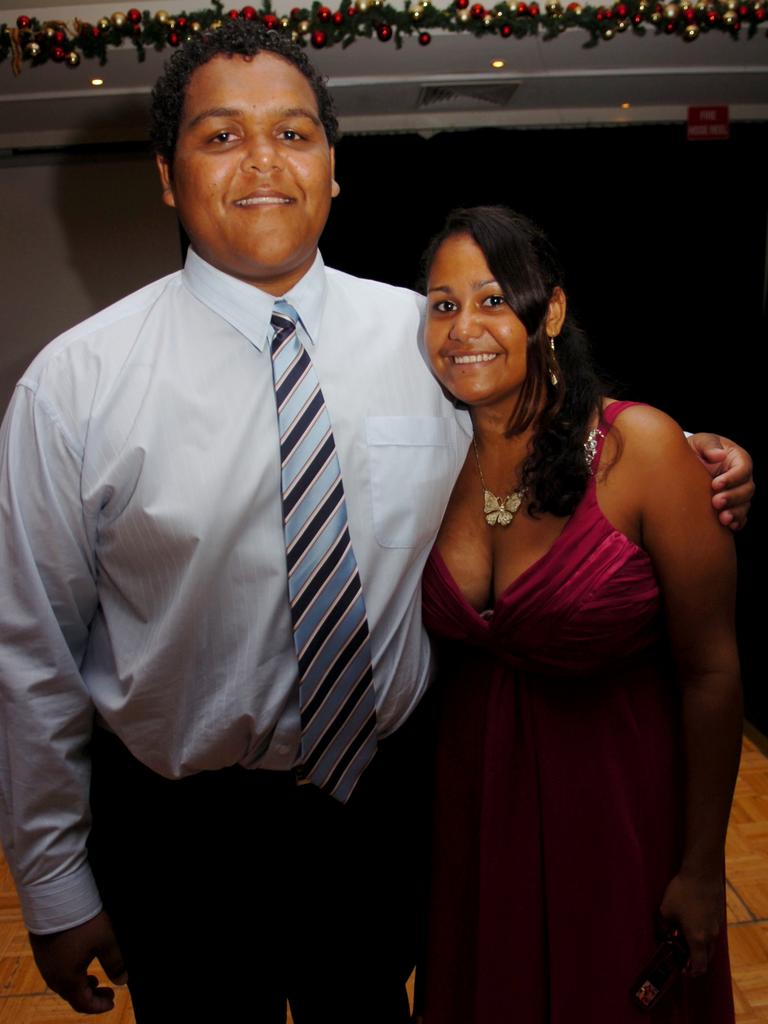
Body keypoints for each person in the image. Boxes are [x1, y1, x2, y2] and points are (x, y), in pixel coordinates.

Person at [0, 24, 752, 1024]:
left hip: (380, 809)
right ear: (169, 178)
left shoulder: (425, 336)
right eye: (221, 137)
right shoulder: (73, 387)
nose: (265, 161)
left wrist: (695, 449)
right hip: (180, 833)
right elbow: (32, 652)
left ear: (333, 169)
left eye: (295, 133)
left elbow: (545, 425)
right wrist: (54, 885)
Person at [418, 206, 742, 1023]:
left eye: (493, 300)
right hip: (474, 813)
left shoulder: (642, 450)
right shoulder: (421, 454)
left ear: (550, 311)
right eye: (443, 305)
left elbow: (711, 671)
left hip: (616, 815)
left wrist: (703, 867)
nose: (465, 329)